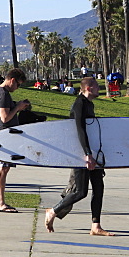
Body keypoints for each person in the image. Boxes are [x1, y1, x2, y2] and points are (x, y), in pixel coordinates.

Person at [44, 76, 114, 236]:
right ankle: (53, 211)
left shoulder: (89, 103)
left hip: (92, 152)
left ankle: (95, 226)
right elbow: (79, 130)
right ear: (89, 88)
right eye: (97, 86)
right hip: (80, 154)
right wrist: (87, 154)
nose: (99, 89)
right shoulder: (79, 104)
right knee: (80, 192)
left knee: (98, 187)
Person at [0, 68, 31, 213]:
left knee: (3, 168)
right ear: (12, 80)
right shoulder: (3, 93)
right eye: (18, 85)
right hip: (3, 136)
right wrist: (18, 108)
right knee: (2, 168)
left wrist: (17, 105)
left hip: (4, 135)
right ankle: (0, 202)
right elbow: (5, 117)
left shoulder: (2, 93)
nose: (17, 88)